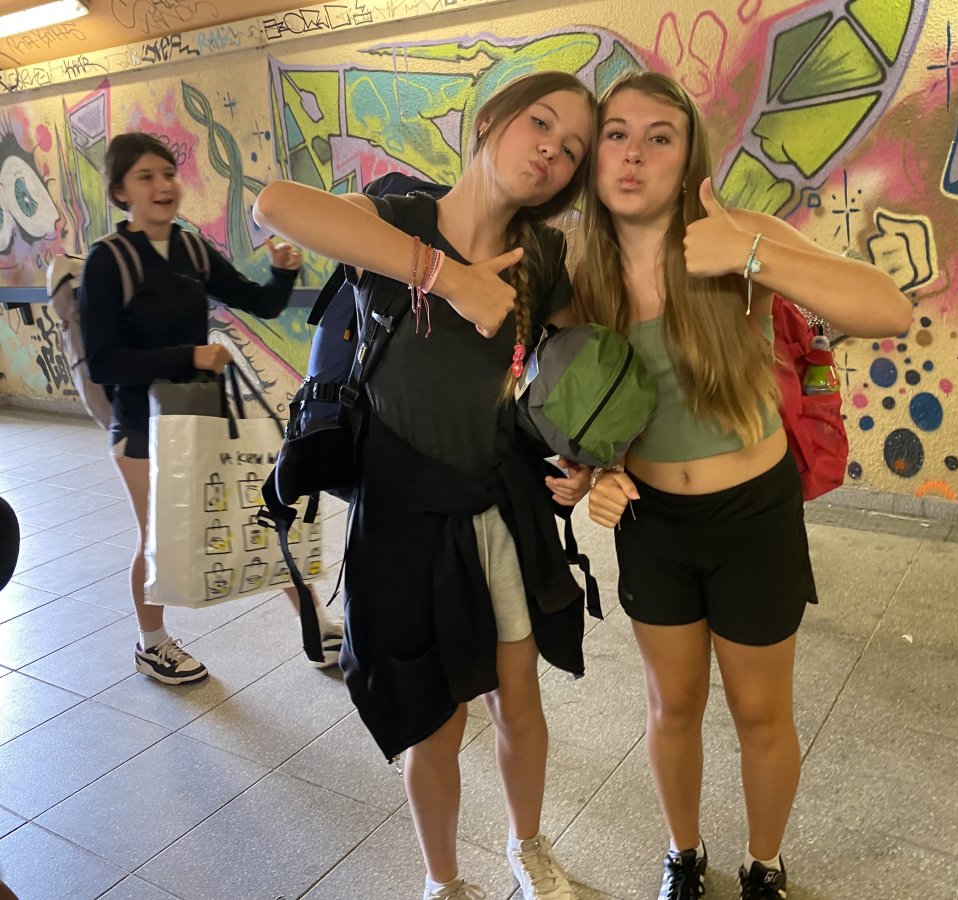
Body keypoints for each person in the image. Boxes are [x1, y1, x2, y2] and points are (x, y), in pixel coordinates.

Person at [252, 71, 596, 900]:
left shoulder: (545, 258)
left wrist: (588, 455)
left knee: (518, 699)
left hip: (497, 503)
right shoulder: (399, 218)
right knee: (432, 722)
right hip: (401, 514)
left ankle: (527, 849)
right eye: (540, 122)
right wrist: (445, 275)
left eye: (572, 148)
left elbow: (577, 367)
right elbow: (275, 205)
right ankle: (444, 884)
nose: (552, 150)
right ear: (493, 119)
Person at [579, 72, 912, 900]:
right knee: (673, 707)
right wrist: (595, 474)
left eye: (659, 136)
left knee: (761, 712)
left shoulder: (737, 237)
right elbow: (574, 405)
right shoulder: (581, 273)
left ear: (688, 156)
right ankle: (683, 854)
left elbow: (888, 309)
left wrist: (752, 256)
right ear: (594, 155)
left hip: (754, 517)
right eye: (617, 134)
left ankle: (764, 865)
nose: (634, 153)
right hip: (653, 524)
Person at [79, 132, 334, 685]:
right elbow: (103, 361)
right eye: (146, 176)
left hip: (202, 416)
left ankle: (315, 623)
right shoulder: (107, 261)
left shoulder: (191, 250)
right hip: (142, 425)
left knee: (260, 517)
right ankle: (152, 644)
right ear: (121, 191)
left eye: (168, 173)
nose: (163, 185)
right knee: (159, 537)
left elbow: (260, 302)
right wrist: (188, 355)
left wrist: (283, 271)